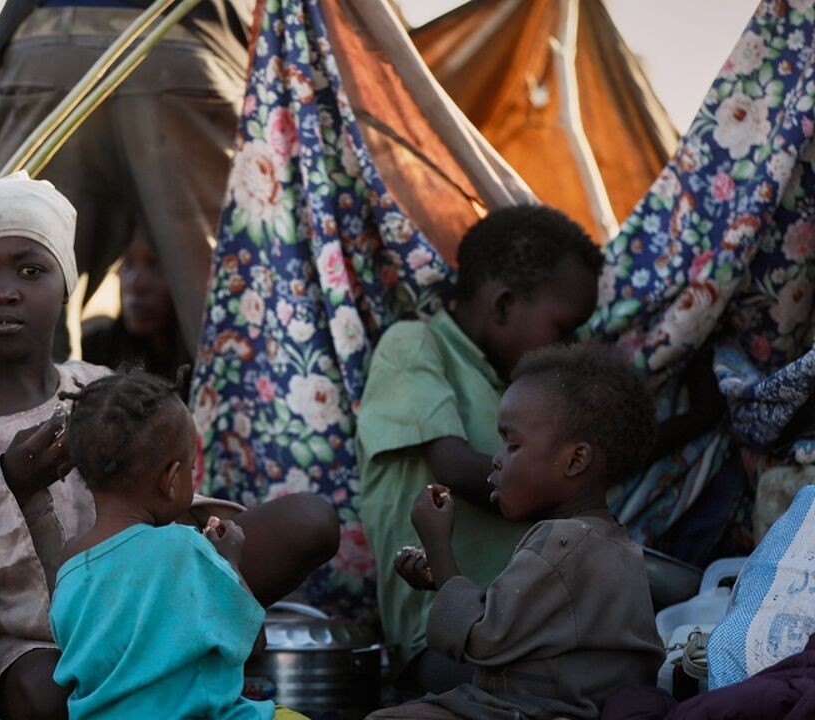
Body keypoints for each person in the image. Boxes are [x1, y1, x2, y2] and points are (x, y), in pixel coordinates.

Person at [0, 173, 338, 720]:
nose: (3, 290)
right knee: (43, 690)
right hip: (31, 635)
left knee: (308, 520)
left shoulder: (94, 383)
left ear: (66, 283)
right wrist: (10, 483)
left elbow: (160, 501)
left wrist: (216, 553)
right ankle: (171, 664)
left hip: (147, 594)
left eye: (30, 270)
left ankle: (173, 647)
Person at [355, 205, 603, 691]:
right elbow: (452, 468)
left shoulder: (524, 386)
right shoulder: (414, 346)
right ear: (504, 305)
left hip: (528, 628)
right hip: (442, 641)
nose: (572, 349)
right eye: (564, 329)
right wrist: (573, 494)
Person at [367, 345, 665, 720]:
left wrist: (438, 545)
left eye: (513, 445)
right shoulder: (610, 543)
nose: (496, 458)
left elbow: (481, 638)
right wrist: (439, 577)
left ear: (575, 460)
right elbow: (520, 622)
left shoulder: (562, 543)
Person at [0, 0, 251, 358]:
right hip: (191, 42)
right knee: (223, 307)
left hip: (41, 44)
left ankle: (28, 391)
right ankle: (239, 387)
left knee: (25, 289)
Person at [51, 371, 307, 720]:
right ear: (171, 481)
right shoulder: (184, 546)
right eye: (191, 468)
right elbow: (252, 644)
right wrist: (229, 562)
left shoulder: (70, 562)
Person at [81, 233, 190, 381]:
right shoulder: (93, 355)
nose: (135, 283)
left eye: (155, 265)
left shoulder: (204, 359)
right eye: (128, 263)